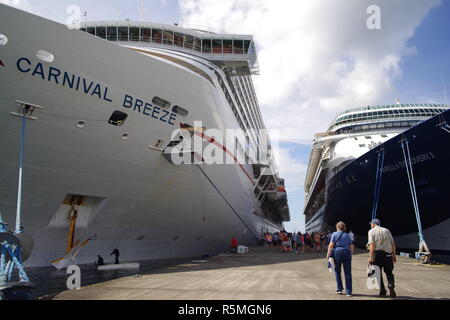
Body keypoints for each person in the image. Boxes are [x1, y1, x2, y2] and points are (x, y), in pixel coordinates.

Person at [367, 219, 397, 298]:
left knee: (377, 273)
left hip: (377, 255)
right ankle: (391, 285)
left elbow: (372, 245)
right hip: (388, 255)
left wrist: (370, 257)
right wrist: (394, 256)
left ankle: (382, 291)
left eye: (371, 224)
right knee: (389, 272)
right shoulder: (386, 230)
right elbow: (393, 244)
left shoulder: (371, 231)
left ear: (373, 224)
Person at [327, 221, 354, 297]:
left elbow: (331, 245)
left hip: (337, 253)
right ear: (344, 227)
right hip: (346, 252)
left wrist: (328, 254)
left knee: (337, 271)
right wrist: (351, 254)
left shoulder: (334, 234)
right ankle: (349, 292)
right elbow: (351, 246)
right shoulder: (347, 235)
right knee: (348, 272)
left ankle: (339, 289)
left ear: (337, 227)